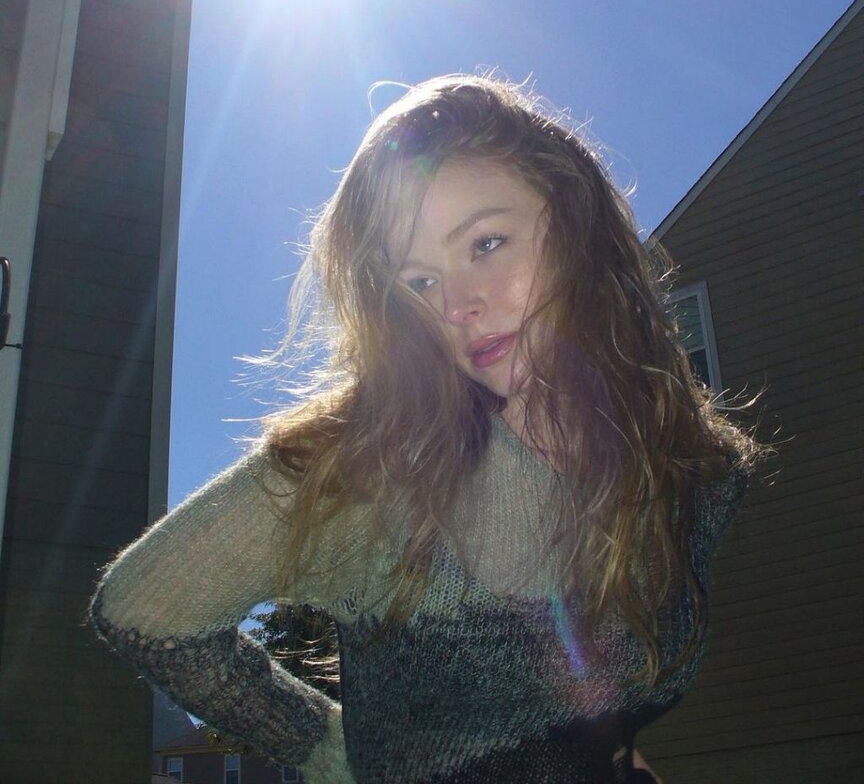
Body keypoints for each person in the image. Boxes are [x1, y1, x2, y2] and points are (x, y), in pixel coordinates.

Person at [90, 75, 757, 783]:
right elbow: (144, 610)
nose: (458, 306)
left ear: (576, 226)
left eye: (486, 243)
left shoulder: (695, 474)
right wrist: (325, 743)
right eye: (420, 281)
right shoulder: (369, 467)